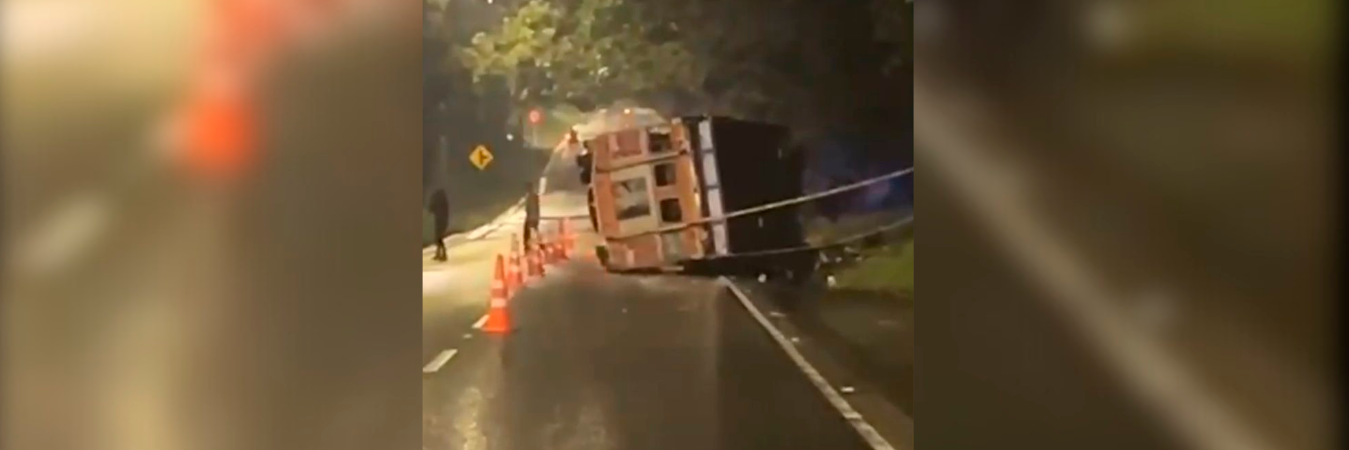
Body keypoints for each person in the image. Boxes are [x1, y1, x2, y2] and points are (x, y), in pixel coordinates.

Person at [428, 189, 449, 262]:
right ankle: (440, 253)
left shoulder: (439, 203)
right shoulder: (443, 203)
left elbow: (431, 209)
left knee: (438, 238)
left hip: (440, 221)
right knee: (439, 238)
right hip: (442, 221)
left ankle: (443, 254)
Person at [523, 182, 541, 247]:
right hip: (535, 217)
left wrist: (529, 216)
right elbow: (537, 207)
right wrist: (538, 216)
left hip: (530, 217)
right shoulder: (535, 196)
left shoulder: (528, 197)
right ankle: (540, 243)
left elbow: (527, 209)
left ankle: (527, 244)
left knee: (528, 231)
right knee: (536, 230)